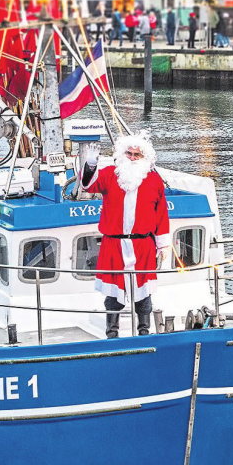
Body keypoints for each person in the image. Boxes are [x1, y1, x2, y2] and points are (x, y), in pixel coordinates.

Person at [80, 133, 171, 339]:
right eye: (128, 153)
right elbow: (88, 185)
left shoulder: (154, 180)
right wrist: (91, 164)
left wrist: (162, 245)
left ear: (144, 157)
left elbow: (161, 214)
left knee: (144, 292)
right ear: (122, 154)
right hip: (114, 244)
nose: (131, 158)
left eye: (136, 155)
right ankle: (111, 333)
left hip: (143, 244)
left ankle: (144, 331)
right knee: (113, 292)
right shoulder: (110, 175)